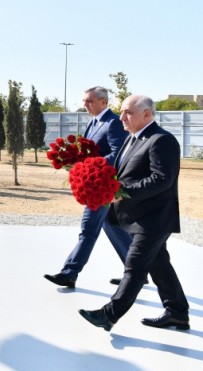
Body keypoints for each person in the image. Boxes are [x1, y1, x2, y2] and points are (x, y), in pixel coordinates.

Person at [79, 95, 189, 332]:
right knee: (159, 265)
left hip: (155, 218)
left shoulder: (162, 140)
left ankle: (108, 315)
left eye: (128, 112)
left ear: (147, 114)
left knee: (135, 267)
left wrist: (122, 192)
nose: (121, 118)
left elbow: (162, 179)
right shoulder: (134, 138)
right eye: (121, 112)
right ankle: (177, 312)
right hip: (138, 216)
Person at [44, 87, 131, 289]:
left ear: (103, 102)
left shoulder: (113, 123)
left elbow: (119, 155)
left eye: (89, 101)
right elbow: (88, 152)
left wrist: (89, 166)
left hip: (105, 186)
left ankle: (69, 273)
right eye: (84, 101)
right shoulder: (93, 122)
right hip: (95, 183)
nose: (85, 105)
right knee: (112, 226)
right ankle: (135, 270)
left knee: (88, 229)